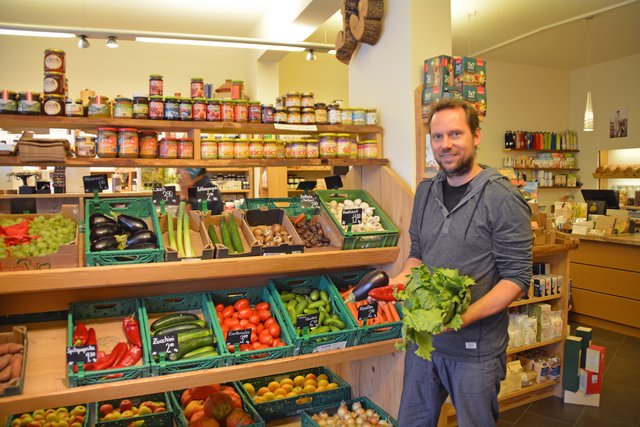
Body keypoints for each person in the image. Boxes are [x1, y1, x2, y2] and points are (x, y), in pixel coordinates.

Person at [395, 99, 532, 426]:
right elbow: (417, 254)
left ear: (476, 136)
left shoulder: (502, 197)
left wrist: (461, 318)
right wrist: (400, 282)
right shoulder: (426, 192)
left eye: (455, 134)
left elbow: (516, 279)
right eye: (438, 137)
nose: (446, 144)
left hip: (475, 351)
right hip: (424, 342)